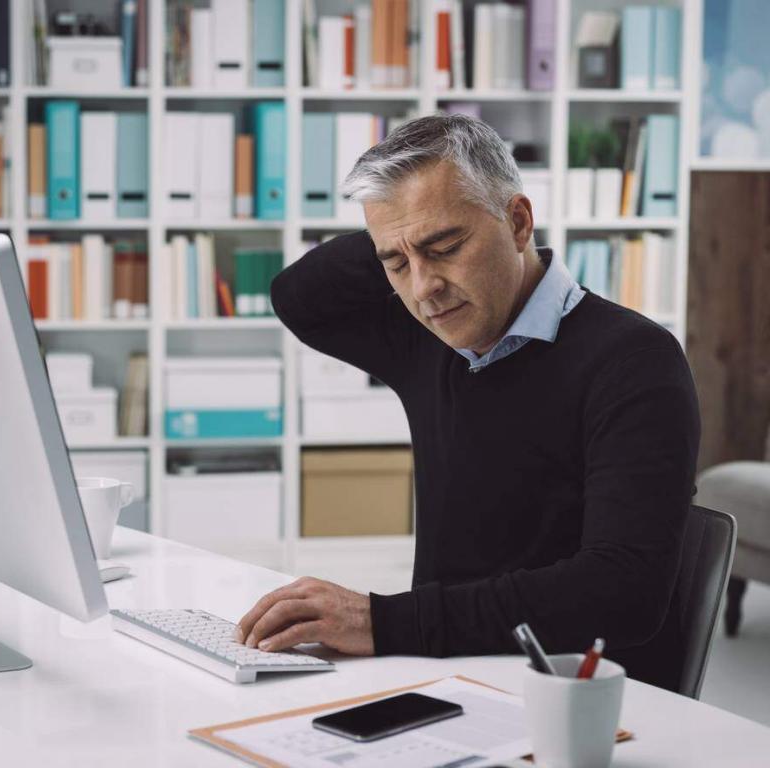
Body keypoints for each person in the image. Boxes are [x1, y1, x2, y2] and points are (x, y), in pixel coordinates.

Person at [235, 114, 700, 692]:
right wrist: (403, 222)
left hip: (586, 703)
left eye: (447, 246)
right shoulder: (432, 336)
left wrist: (385, 622)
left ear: (518, 220)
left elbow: (623, 591)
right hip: (447, 676)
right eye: (397, 265)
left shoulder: (635, 361)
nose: (425, 288)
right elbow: (297, 297)